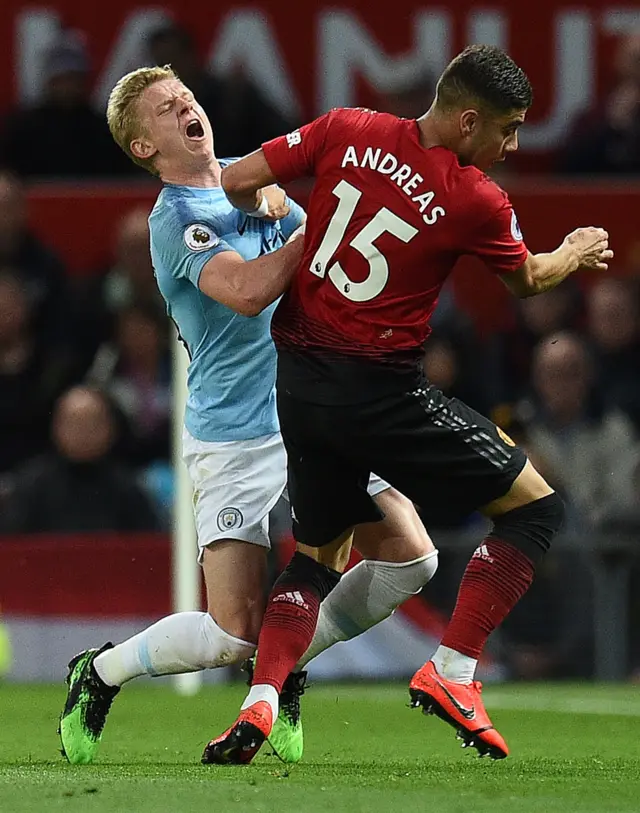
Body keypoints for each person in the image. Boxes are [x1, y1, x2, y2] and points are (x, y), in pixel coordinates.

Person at [211, 44, 612, 764]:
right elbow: (527, 280)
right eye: (508, 128)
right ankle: (454, 670)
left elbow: (237, 179)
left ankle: (261, 703)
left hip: (299, 385)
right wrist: (576, 250)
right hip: (381, 393)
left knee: (314, 558)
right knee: (535, 510)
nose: (513, 145)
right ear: (467, 122)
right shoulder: (474, 197)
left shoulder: (345, 126)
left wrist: (273, 205)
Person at [58, 65, 438, 766]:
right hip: (233, 434)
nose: (185, 106)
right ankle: (101, 672)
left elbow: (323, 257)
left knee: (411, 559)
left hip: (313, 411)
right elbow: (250, 289)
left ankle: (284, 666)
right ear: (144, 147)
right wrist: (322, 218)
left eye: (186, 97)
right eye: (167, 109)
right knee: (235, 630)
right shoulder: (174, 222)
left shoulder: (247, 176)